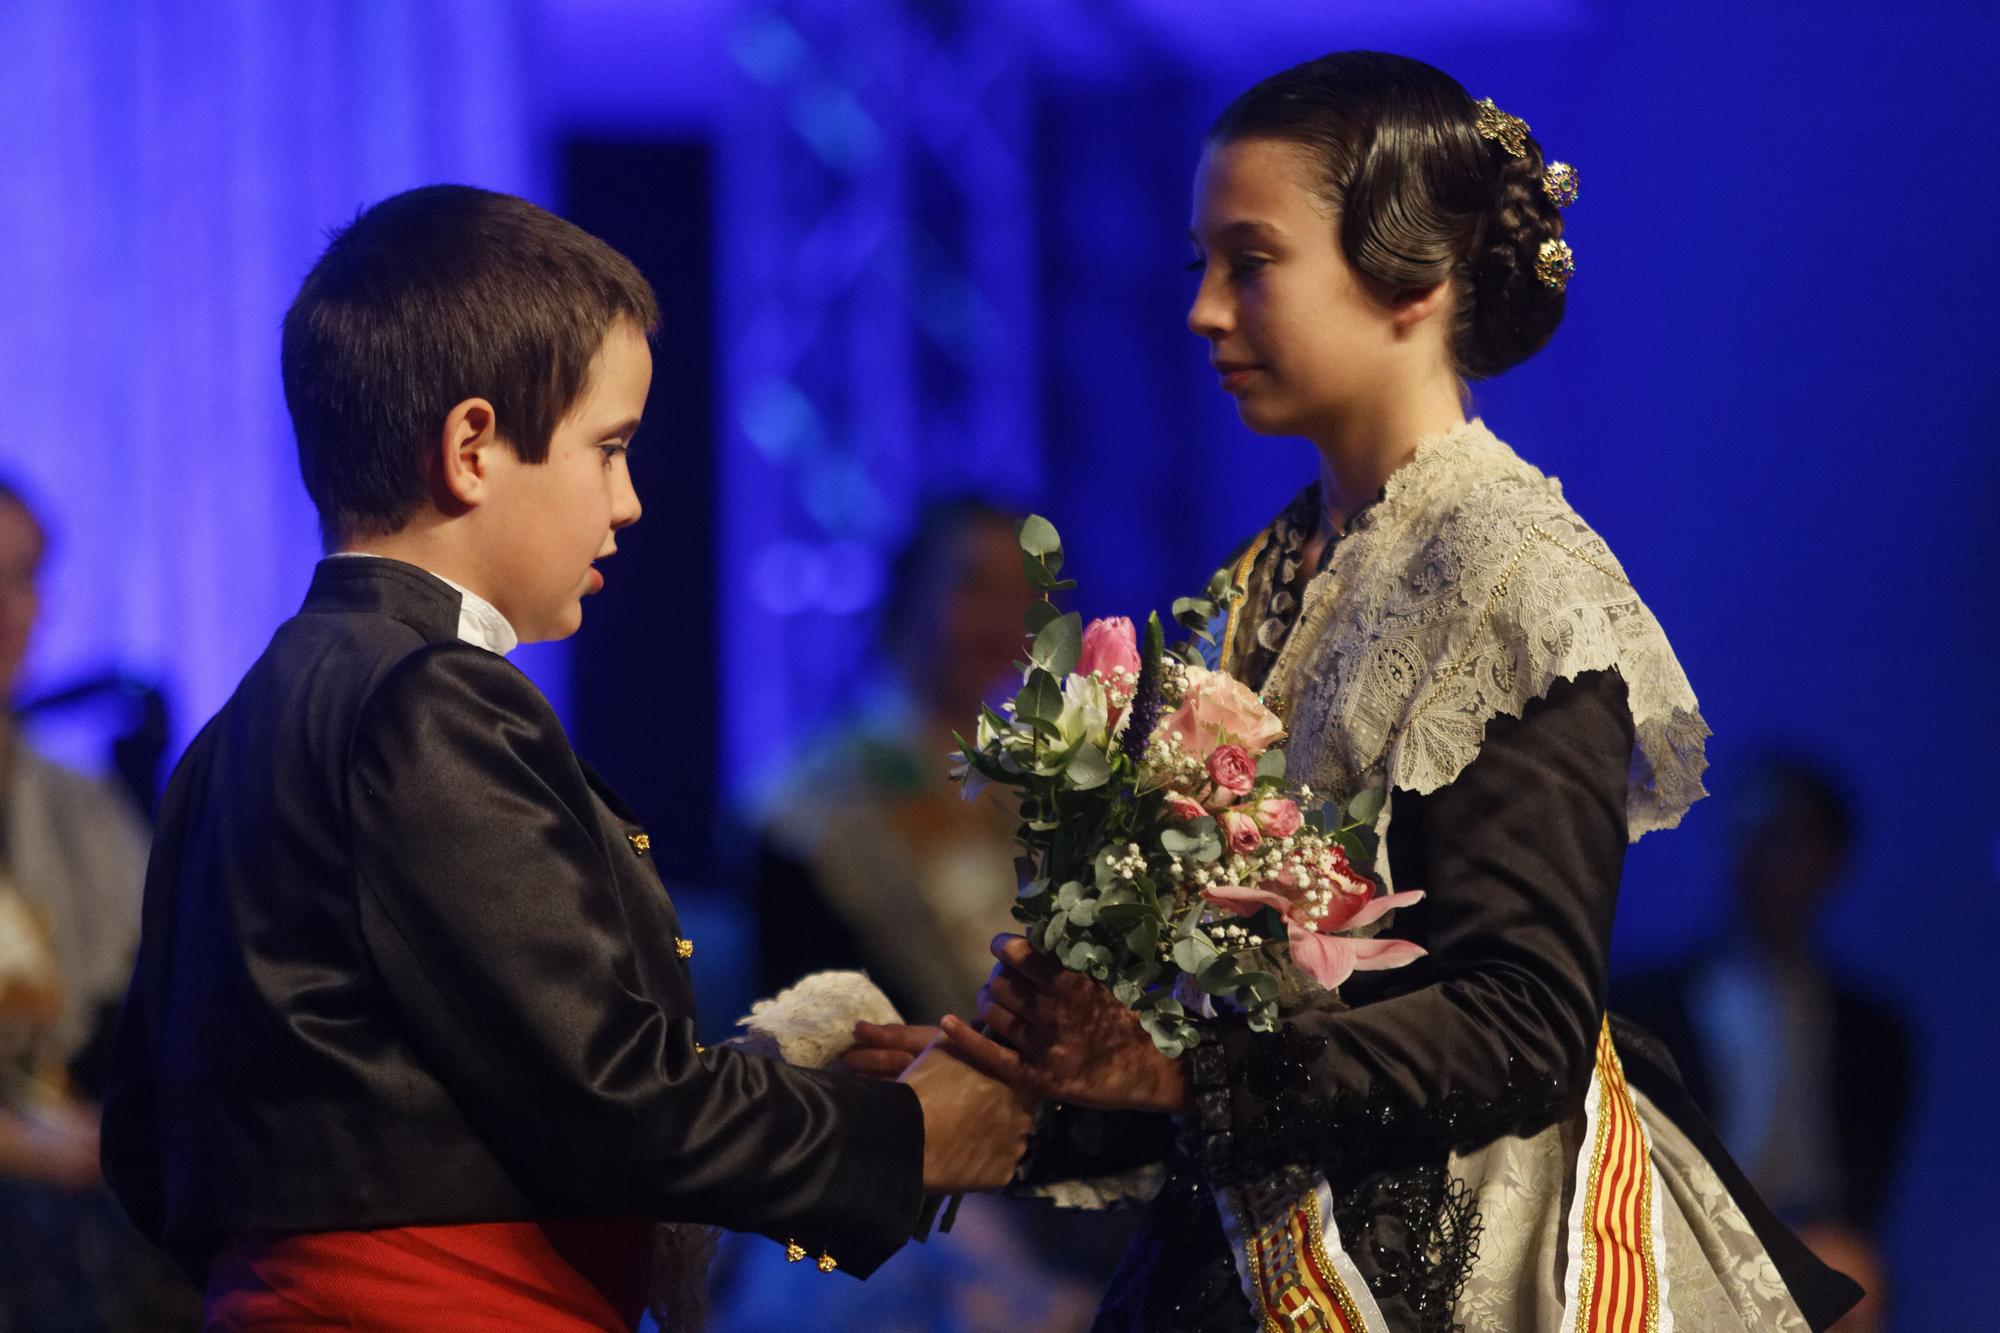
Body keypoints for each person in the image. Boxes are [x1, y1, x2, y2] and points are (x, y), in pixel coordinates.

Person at [854, 51, 1861, 1332]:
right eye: (1196, 266)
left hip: (1448, 1263)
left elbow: (1519, 1019)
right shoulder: (1263, 578)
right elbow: (1219, 1039)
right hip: (1258, 1237)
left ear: (1413, 280)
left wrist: (1173, 1070)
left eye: (1250, 262)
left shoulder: (1517, 583)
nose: (1202, 312)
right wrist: (1011, 1093)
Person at [100, 184, 1031, 1331]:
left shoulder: (230, 732)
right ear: (474, 448)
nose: (631, 500)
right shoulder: (429, 698)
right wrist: (916, 1130)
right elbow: (617, 1100)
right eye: (610, 448)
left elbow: (145, 1135)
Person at [1618, 751, 1912, 1331]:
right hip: (1681, 1239)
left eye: (1780, 839)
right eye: (1742, 835)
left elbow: (1867, 1192)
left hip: (1818, 1244)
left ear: (1829, 861)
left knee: (1846, 1279)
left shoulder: (1875, 1033)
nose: (1753, 860)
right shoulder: (1646, 1008)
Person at [0, 480, 198, 1330]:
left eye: (25, 576)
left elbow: (163, 987)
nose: (12, 609)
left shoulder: (75, 808)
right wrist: (35, 1149)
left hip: (78, 1174)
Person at [754, 497, 1037, 1025]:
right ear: (909, 596)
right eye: (974, 586)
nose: (1002, 618)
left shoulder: (1040, 782)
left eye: (1021, 594)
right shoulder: (814, 803)